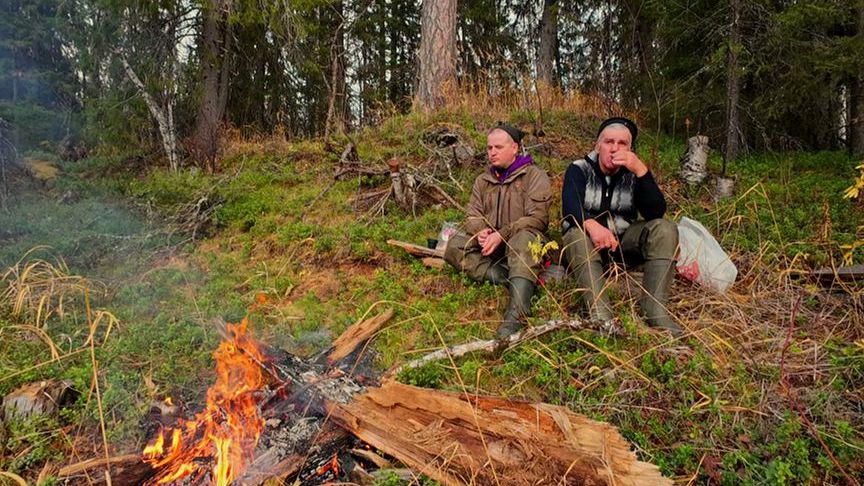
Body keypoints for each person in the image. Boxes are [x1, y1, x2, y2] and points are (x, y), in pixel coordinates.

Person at [561, 117, 682, 335]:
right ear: (598, 146)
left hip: (623, 243)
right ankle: (601, 315)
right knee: (576, 233)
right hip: (586, 244)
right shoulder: (579, 169)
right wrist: (592, 225)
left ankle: (654, 311)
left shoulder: (634, 173)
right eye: (609, 142)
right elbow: (570, 206)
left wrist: (641, 171)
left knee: (665, 229)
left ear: (630, 149)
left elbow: (655, 212)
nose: (614, 148)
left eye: (622, 143)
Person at [444, 124, 552, 339]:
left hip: (524, 243)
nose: (492, 152)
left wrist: (502, 234)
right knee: (455, 245)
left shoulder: (534, 176)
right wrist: (480, 231)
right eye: (489, 148)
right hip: (493, 247)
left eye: (498, 147)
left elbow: (537, 219)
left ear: (514, 148)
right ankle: (512, 280)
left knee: (523, 239)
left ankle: (518, 312)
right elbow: (472, 214)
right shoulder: (483, 180)